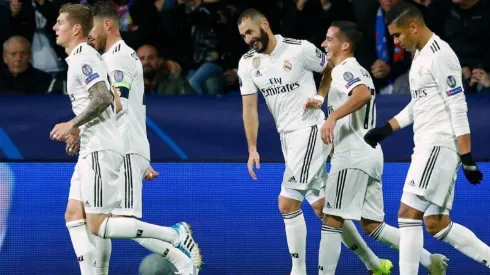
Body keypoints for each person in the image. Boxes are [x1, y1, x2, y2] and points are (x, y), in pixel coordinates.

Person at [237, 8, 392, 275]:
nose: (248, 39)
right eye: (243, 36)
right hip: (288, 138)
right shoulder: (247, 63)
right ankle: (375, 265)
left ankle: (298, 270)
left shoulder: (299, 49)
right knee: (323, 208)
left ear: (265, 24)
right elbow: (249, 108)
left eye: (250, 31)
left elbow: (332, 66)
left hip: (310, 131)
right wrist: (252, 147)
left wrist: (320, 97)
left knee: (286, 204)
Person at [49, 4, 200, 275]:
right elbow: (113, 104)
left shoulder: (116, 56)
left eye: (92, 27)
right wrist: (81, 131)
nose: (90, 35)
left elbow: (117, 106)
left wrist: (130, 153)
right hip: (100, 144)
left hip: (115, 146)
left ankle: (177, 244)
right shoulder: (101, 57)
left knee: (110, 222)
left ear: (105, 24)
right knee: (78, 215)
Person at [363, 2, 487, 274]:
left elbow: (458, 106)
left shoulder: (440, 55)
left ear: (414, 26)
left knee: (407, 215)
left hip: (438, 145)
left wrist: (466, 157)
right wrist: (386, 129)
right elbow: (419, 105)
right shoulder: (419, 55)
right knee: (436, 223)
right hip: (429, 146)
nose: (396, 41)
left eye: (397, 35)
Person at [318, 20, 448, 275]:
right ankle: (429, 260)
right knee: (372, 225)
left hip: (353, 155)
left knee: (331, 219)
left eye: (329, 39)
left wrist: (331, 118)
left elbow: (363, 94)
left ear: (345, 45)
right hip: (369, 153)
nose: (324, 43)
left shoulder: (347, 69)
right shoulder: (355, 69)